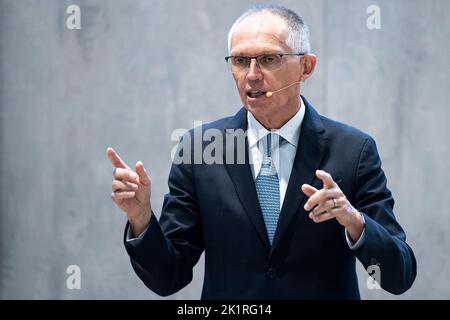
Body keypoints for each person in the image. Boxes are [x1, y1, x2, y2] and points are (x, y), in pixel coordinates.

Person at [107, 4, 416, 299]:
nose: (252, 74)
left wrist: (354, 220)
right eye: (240, 61)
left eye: (269, 59)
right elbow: (168, 277)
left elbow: (399, 275)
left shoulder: (354, 151)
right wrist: (141, 218)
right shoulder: (201, 149)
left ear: (306, 67)